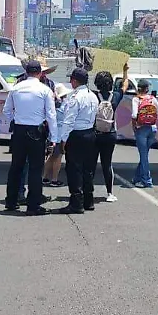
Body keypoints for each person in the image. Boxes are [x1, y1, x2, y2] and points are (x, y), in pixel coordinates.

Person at [2, 59, 57, 215]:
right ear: (40, 73)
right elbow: (51, 115)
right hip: (36, 132)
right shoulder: (44, 90)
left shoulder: (16, 88)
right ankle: (33, 205)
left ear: (26, 73)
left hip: (19, 131)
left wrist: (15, 120)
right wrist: (54, 137)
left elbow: (6, 111)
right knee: (35, 169)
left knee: (16, 167)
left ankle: (11, 202)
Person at [55, 67, 100, 214]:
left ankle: (76, 202)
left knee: (74, 169)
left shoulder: (75, 97)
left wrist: (63, 140)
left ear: (74, 81)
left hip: (77, 135)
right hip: (90, 133)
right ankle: (89, 200)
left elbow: (69, 121)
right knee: (88, 169)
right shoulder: (93, 96)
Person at [93, 64, 129, 202]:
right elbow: (125, 85)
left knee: (90, 163)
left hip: (95, 133)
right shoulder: (116, 96)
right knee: (107, 163)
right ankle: (109, 193)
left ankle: (88, 191)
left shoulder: (93, 95)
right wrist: (125, 71)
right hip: (110, 133)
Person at [130, 78, 158, 188]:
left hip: (141, 129)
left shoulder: (136, 99)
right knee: (144, 155)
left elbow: (134, 115)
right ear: (147, 88)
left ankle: (147, 181)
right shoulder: (152, 99)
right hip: (152, 129)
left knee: (144, 156)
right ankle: (136, 178)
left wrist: (134, 126)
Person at [42, 83, 71, 187]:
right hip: (60, 134)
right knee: (58, 157)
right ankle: (54, 179)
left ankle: (44, 177)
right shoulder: (64, 104)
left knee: (50, 157)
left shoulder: (53, 103)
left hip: (52, 133)